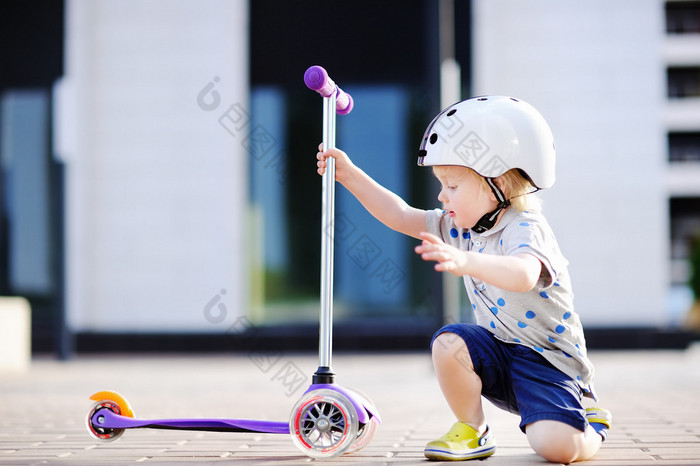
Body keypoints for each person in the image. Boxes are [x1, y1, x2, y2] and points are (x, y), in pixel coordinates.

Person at [316, 95, 611, 463]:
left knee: (557, 449)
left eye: (452, 186)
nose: (442, 195)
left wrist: (464, 260)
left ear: (498, 183)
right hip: (501, 353)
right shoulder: (459, 226)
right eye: (441, 184)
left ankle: (591, 422)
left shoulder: (525, 227)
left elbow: (523, 274)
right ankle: (473, 430)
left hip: (548, 364)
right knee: (449, 342)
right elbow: (400, 215)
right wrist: (349, 174)